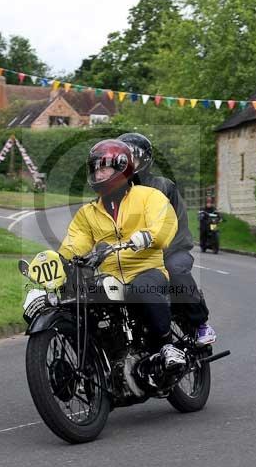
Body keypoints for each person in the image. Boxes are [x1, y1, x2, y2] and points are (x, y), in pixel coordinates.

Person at [58, 139, 186, 370]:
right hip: (110, 276)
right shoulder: (89, 213)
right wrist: (60, 261)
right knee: (79, 300)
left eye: (103, 167)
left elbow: (164, 223)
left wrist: (147, 236)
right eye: (95, 168)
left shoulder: (149, 196)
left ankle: (167, 345)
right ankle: (99, 361)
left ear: (121, 167)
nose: (98, 174)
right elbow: (76, 241)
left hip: (146, 268)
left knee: (143, 288)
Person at [117, 132, 217, 346]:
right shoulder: (115, 191)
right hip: (133, 256)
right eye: (123, 158)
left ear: (144, 159)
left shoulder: (163, 186)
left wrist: (161, 248)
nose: (128, 163)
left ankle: (201, 324)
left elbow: (176, 224)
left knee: (175, 270)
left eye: (132, 157)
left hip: (170, 250)